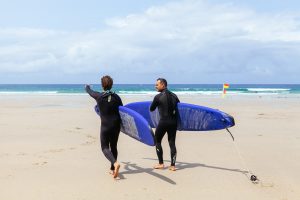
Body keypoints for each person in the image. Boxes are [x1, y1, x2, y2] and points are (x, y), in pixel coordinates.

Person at [85, 75, 123, 178]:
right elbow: (123, 111)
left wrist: (87, 86)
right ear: (112, 84)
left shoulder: (99, 96)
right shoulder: (117, 97)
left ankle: (115, 163)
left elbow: (89, 91)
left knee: (105, 147)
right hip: (116, 125)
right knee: (114, 146)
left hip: (106, 125)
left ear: (102, 85)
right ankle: (112, 168)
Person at [150, 78, 180, 171]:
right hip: (173, 122)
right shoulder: (174, 96)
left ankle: (161, 163)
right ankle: (173, 166)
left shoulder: (158, 97)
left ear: (163, 85)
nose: (155, 86)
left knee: (157, 140)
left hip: (164, 122)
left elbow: (151, 108)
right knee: (172, 143)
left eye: (157, 84)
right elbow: (179, 107)